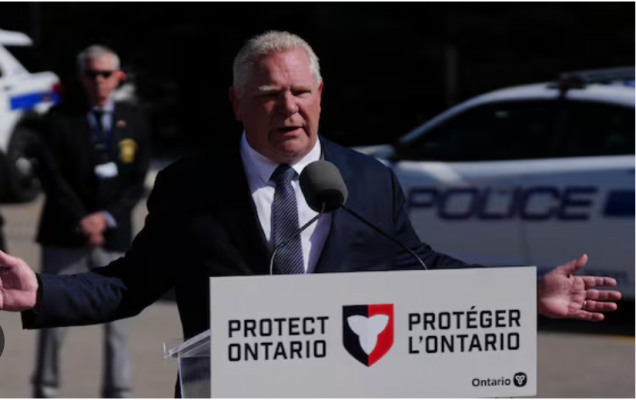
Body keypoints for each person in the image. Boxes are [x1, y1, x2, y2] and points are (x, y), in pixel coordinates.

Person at [0, 31, 621, 396]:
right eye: (269, 95)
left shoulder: (368, 180)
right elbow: (131, 283)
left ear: (320, 96)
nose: (288, 107)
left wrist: (524, 293)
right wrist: (42, 292)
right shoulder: (189, 185)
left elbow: (420, 268)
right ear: (237, 104)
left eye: (300, 92)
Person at [27, 45, 150, 398]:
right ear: (81, 77)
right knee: (51, 318)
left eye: (106, 74)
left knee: (118, 322)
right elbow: (51, 176)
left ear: (118, 77)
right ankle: (45, 389)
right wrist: (82, 219)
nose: (99, 81)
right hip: (65, 235)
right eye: (92, 74)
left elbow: (137, 179)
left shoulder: (133, 117)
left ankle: (118, 391)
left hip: (114, 236)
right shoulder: (58, 118)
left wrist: (105, 218)